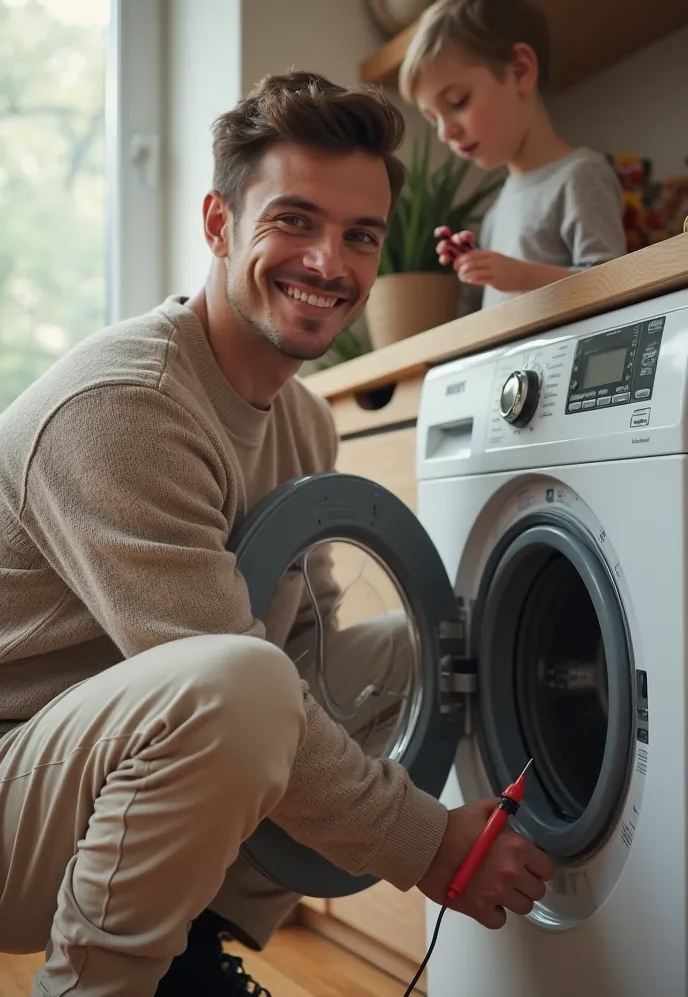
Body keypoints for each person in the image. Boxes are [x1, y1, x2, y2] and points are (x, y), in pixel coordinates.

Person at [0, 70, 555, 997]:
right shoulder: (127, 405)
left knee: (430, 648)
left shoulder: (305, 424)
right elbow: (237, 684)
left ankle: (188, 953)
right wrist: (427, 844)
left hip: (113, 787)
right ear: (219, 226)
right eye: (293, 220)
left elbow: (309, 661)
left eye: (359, 235)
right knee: (242, 681)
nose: (329, 264)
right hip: (18, 792)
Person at [399, 0, 627, 310]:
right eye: (433, 118)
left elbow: (615, 285)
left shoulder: (581, 175)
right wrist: (473, 267)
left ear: (520, 71)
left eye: (457, 101)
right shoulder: (496, 212)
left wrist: (522, 277)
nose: (445, 132)